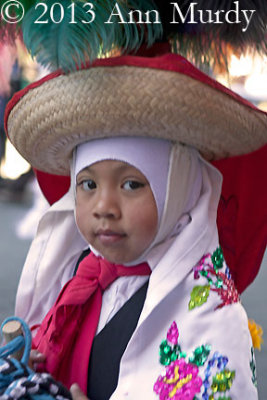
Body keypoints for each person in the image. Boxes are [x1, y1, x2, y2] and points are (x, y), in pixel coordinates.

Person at [4, 53, 266, 400]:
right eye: (88, 184)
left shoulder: (212, 323)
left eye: (131, 185)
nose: (104, 208)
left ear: (179, 192)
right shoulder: (78, 273)